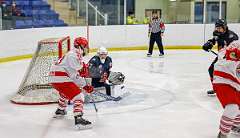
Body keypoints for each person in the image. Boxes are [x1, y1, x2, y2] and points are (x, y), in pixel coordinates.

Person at [49, 37, 94, 129]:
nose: (86, 49)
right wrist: (82, 69)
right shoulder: (74, 54)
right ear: (80, 46)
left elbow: (74, 75)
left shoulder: (73, 54)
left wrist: (85, 85)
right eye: (85, 46)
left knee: (65, 92)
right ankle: (79, 119)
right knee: (79, 96)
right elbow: (76, 72)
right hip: (60, 77)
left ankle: (60, 110)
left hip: (55, 77)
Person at [202, 19, 238, 96]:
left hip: (232, 58)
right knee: (211, 69)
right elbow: (214, 39)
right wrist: (209, 43)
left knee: (231, 73)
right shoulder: (217, 33)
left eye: (219, 28)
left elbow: (235, 50)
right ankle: (216, 88)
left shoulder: (232, 36)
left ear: (224, 27)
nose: (217, 29)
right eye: (216, 28)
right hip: (221, 56)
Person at [212, 41, 240, 138]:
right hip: (224, 79)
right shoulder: (236, 45)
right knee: (233, 107)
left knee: (238, 107)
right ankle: (223, 134)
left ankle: (236, 126)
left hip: (235, 81)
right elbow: (227, 52)